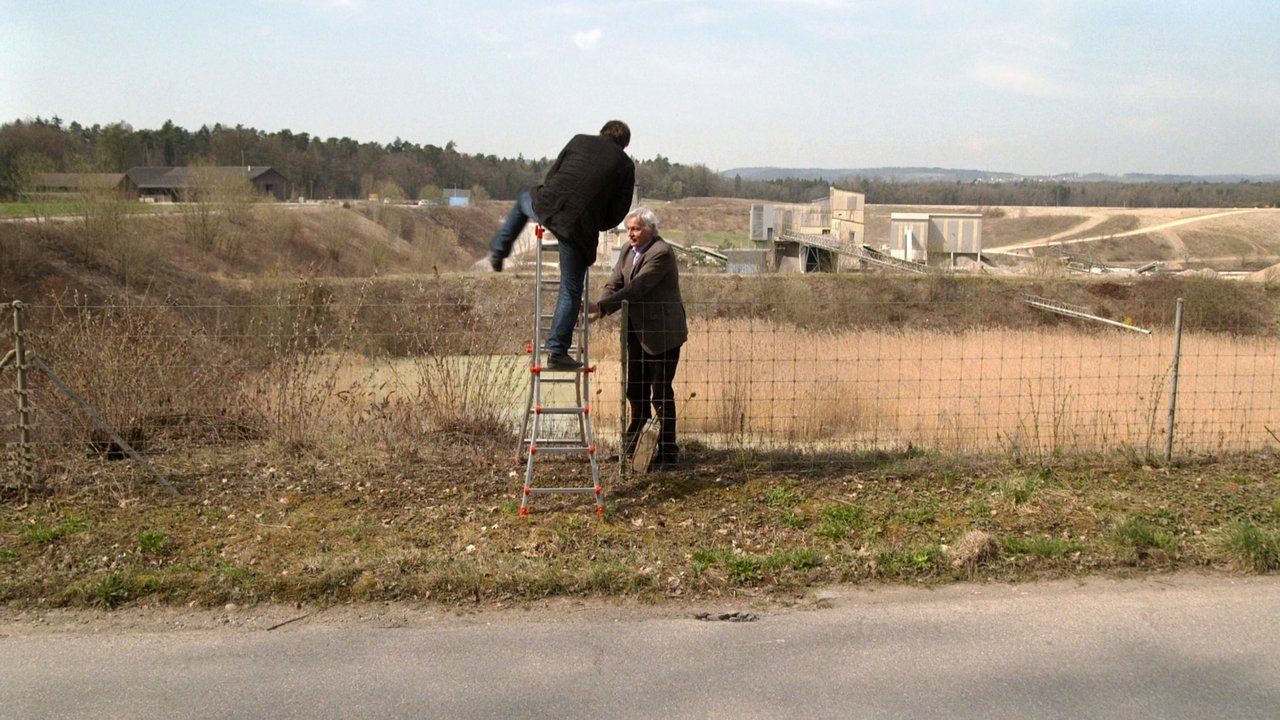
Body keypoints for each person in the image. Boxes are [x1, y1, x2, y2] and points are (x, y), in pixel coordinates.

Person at [488, 120, 636, 371]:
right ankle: (557, 351)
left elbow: (553, 175)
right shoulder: (625, 165)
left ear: (601, 132)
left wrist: (550, 198)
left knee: (523, 200)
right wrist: (597, 222)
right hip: (578, 227)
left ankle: (499, 248)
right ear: (624, 144)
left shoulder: (579, 140)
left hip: (548, 204)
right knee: (570, 289)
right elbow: (618, 210)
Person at [588, 206, 687, 468]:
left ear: (650, 229)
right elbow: (615, 283)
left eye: (636, 229)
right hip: (636, 334)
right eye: (628, 229)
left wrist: (603, 306)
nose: (630, 234)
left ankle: (668, 453)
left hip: (663, 335)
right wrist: (600, 306)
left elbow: (637, 288)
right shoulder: (627, 251)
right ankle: (631, 450)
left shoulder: (661, 252)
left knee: (660, 394)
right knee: (635, 392)